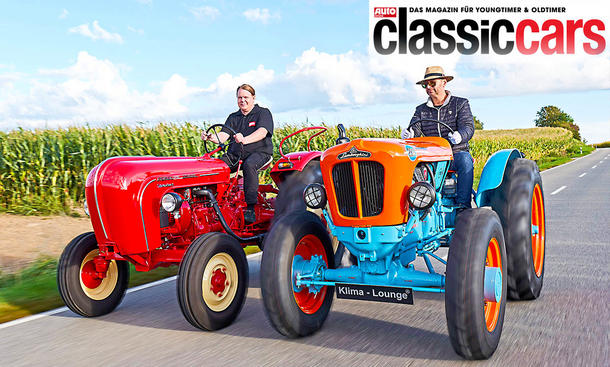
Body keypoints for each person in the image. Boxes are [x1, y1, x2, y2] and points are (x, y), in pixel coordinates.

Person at [402, 66, 475, 209]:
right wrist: (410, 134)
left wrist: (460, 135)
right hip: (431, 158)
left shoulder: (460, 104)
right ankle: (416, 204)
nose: (428, 87)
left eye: (432, 83)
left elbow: (468, 127)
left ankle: (463, 205)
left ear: (443, 83)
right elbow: (415, 129)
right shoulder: (421, 110)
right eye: (425, 85)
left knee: (465, 160)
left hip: (455, 154)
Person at [202, 84, 274, 223]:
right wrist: (210, 137)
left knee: (249, 165)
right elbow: (223, 136)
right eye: (240, 97)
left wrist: (244, 140)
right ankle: (213, 204)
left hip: (260, 153)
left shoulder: (263, 113)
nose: (243, 100)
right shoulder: (233, 117)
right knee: (216, 167)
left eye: (246, 97)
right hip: (236, 155)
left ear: (253, 98)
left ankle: (251, 208)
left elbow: (262, 132)